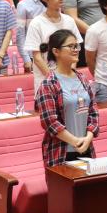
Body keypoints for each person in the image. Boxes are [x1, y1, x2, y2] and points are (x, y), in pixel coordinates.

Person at [36, 29, 99, 168]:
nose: (76, 50)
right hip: (61, 153)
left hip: (86, 148)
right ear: (56, 51)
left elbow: (93, 112)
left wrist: (88, 138)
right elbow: (50, 122)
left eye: (76, 46)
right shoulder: (48, 84)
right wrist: (76, 142)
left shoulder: (82, 78)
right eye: (71, 46)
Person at [24, 0, 82, 93]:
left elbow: (75, 50)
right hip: (46, 83)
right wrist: (56, 80)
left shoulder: (69, 21)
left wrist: (69, 75)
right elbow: (37, 58)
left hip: (69, 81)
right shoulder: (36, 23)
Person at [15, 0, 46, 72]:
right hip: (33, 55)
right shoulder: (23, 5)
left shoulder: (52, 0)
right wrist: (26, 59)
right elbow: (20, 34)